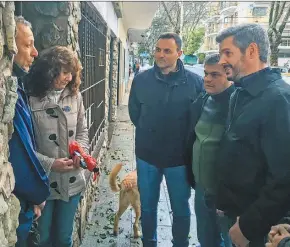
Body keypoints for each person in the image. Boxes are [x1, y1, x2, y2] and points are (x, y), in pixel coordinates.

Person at [215, 23, 290, 247]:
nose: (221, 61)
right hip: (232, 216)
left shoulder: (279, 100)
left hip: (258, 229)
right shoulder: (238, 93)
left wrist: (248, 226)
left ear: (251, 51)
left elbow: (284, 178)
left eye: (227, 53)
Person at [128, 32, 203, 247]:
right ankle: (149, 242)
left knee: (180, 209)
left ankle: (180, 243)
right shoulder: (141, 80)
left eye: (167, 51)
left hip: (179, 160)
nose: (161, 55)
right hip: (147, 157)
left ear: (179, 53)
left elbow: (197, 121)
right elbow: (135, 113)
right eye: (158, 50)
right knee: (148, 207)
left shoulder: (195, 83)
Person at [25, 46, 90, 247]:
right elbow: (24, 146)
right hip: (42, 181)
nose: (69, 78)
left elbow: (82, 132)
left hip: (71, 181)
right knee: (42, 238)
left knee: (64, 238)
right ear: (49, 72)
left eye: (72, 72)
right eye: (64, 72)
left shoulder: (75, 96)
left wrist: (81, 153)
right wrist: (50, 164)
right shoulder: (29, 98)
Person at [9, 16, 50, 247]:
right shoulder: (12, 94)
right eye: (28, 44)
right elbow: (21, 152)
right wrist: (38, 194)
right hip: (19, 204)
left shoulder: (17, 87)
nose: (35, 52)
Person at [186, 54, 234, 247]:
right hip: (201, 187)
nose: (207, 79)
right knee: (205, 239)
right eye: (206, 73)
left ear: (229, 74)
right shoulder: (203, 100)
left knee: (229, 240)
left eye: (215, 75)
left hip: (228, 194)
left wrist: (229, 195)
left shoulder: (238, 105)